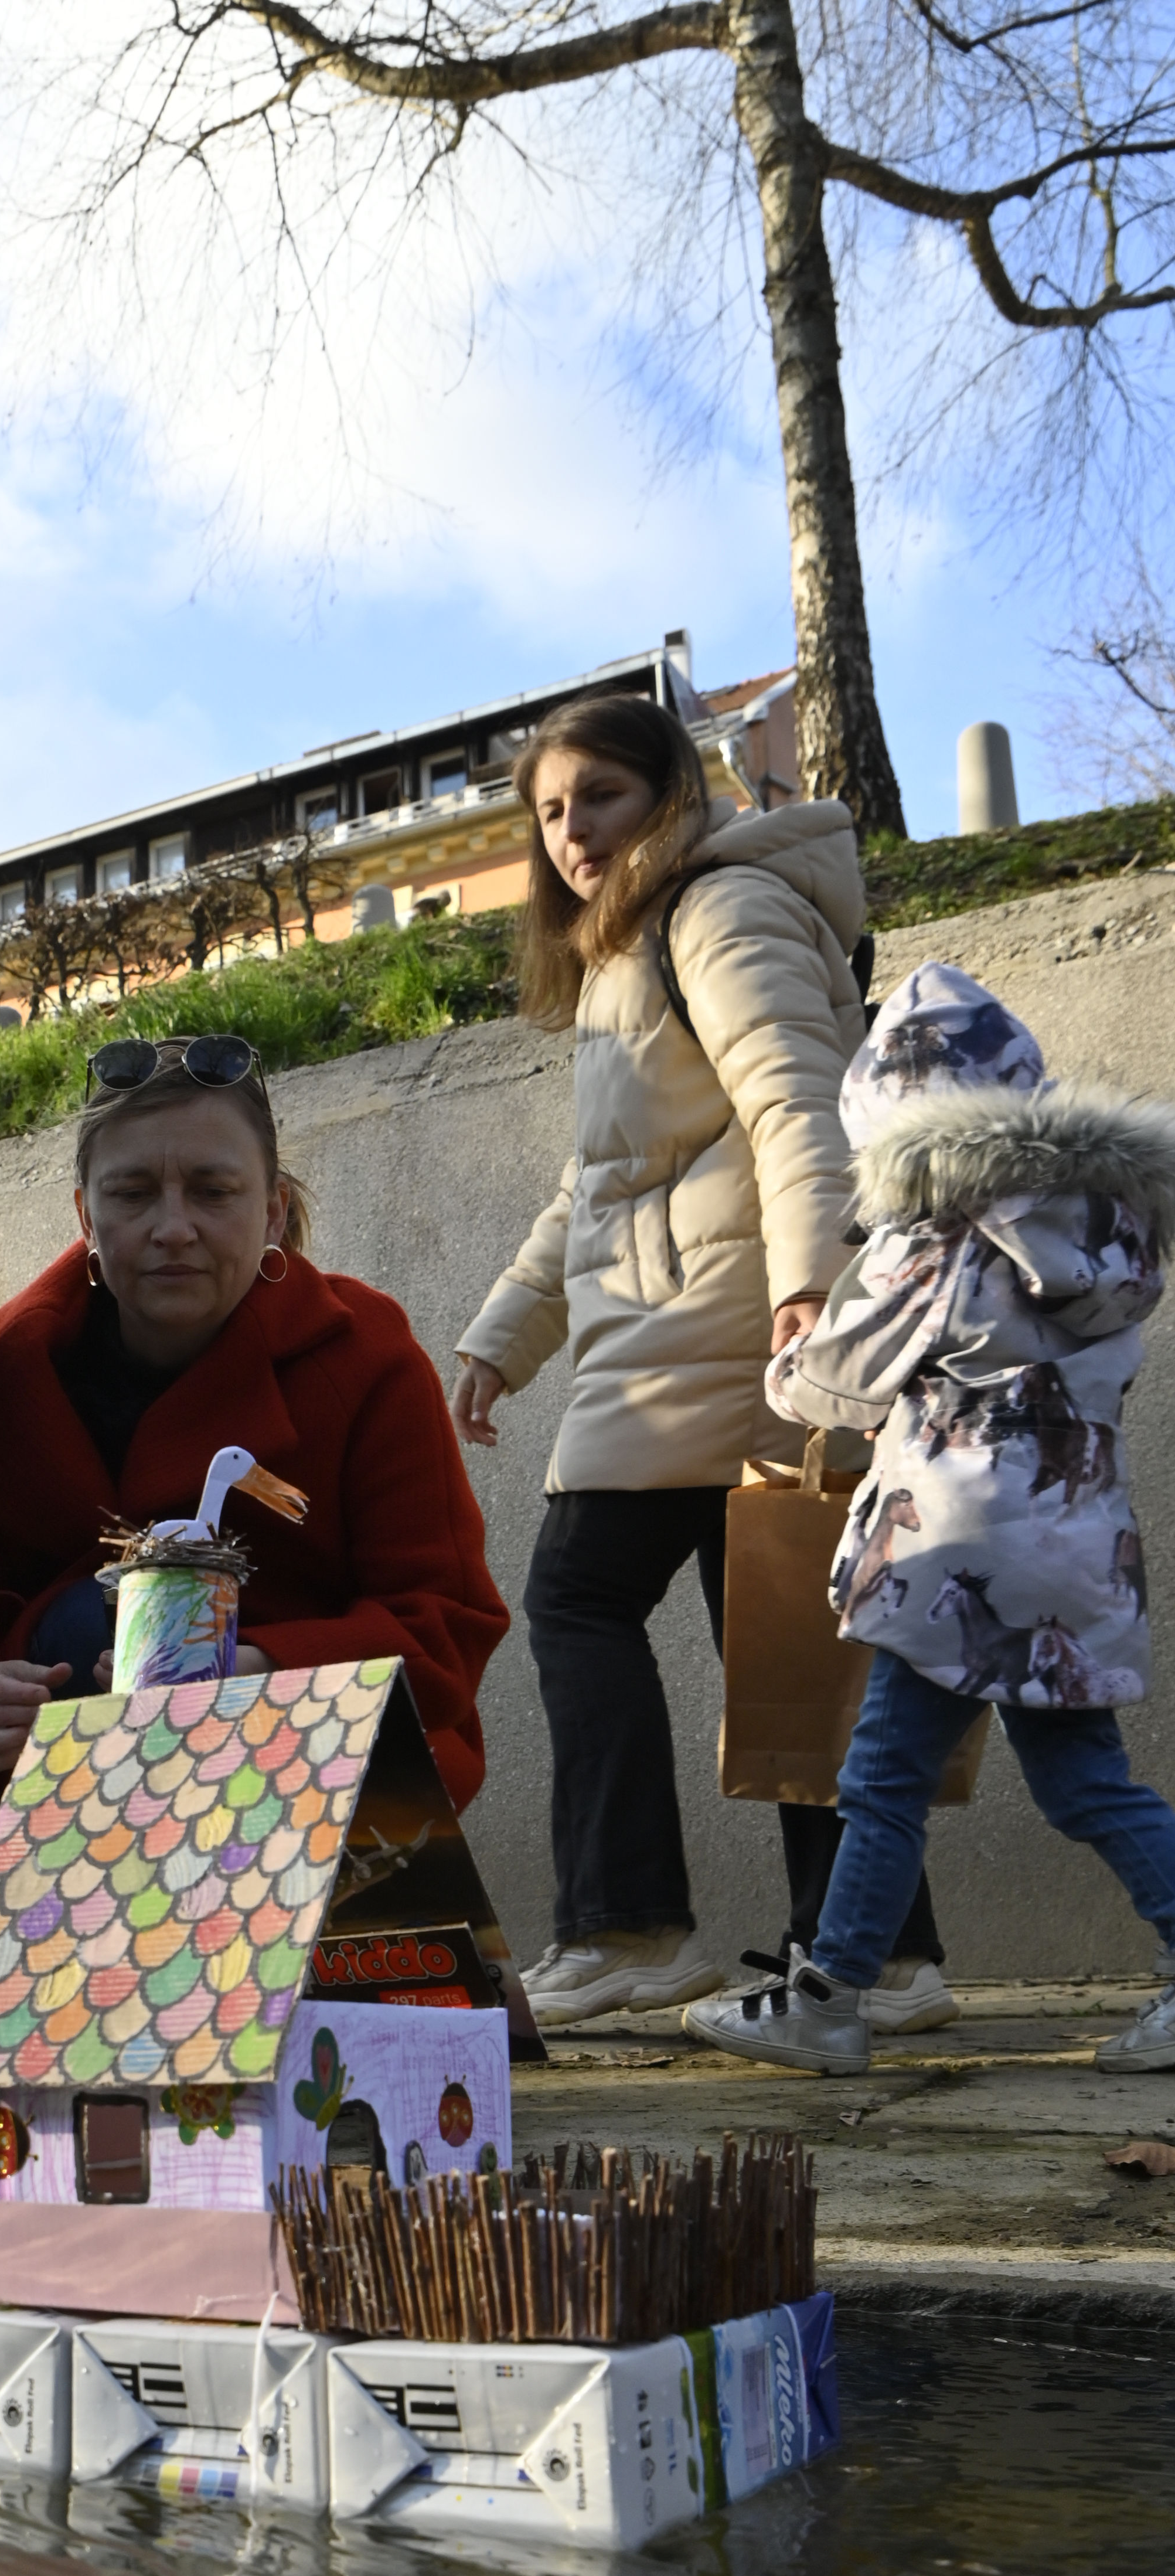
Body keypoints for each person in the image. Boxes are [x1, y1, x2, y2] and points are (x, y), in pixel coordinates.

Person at [448, 689, 951, 2033]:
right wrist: (500, 1338)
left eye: (595, 800)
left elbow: (799, 1099)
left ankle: (626, 1930)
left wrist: (808, 1288)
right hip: (672, 1338)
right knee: (779, 1639)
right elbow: (595, 1189)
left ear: (670, 792)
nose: (568, 834)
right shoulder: (629, 953)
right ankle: (876, 1961)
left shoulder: (712, 911)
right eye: (547, 813)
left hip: (722, 1336)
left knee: (581, 1598)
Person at [687, 964, 1175, 2075]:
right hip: (1072, 1543)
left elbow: (836, 1386)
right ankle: (836, 1983)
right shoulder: (1106, 1227)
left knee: (879, 1778)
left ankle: (828, 1994)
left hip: (952, 1553)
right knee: (1084, 1781)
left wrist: (787, 1360)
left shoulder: (933, 1232)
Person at [0, 1033, 508, 1878]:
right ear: (85, 1217)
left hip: (321, 1780)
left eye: (214, 1191)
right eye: (134, 1193)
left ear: (275, 1210)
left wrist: (252, 1674)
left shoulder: (368, 1358)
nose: (172, 1228)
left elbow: (443, 1623)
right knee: (87, 1625)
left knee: (149, 1626)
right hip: (53, 1826)